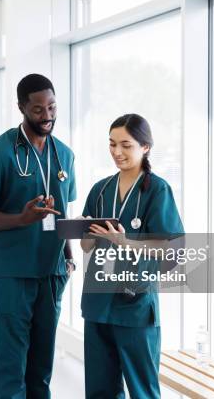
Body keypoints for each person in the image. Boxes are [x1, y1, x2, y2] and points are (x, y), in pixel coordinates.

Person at [0, 74, 77, 399]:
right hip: (13, 273)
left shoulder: (65, 155)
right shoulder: (0, 153)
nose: (47, 116)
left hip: (52, 272)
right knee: (10, 364)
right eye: (37, 109)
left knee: (41, 366)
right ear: (21, 108)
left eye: (52, 107)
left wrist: (69, 258)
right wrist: (21, 218)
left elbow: (63, 212)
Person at [79, 113, 184, 398]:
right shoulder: (100, 190)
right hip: (98, 302)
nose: (117, 152)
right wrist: (85, 233)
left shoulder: (158, 190)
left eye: (126, 145)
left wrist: (125, 242)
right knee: (100, 389)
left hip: (135, 304)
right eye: (112, 144)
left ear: (145, 147)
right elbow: (87, 249)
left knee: (142, 389)